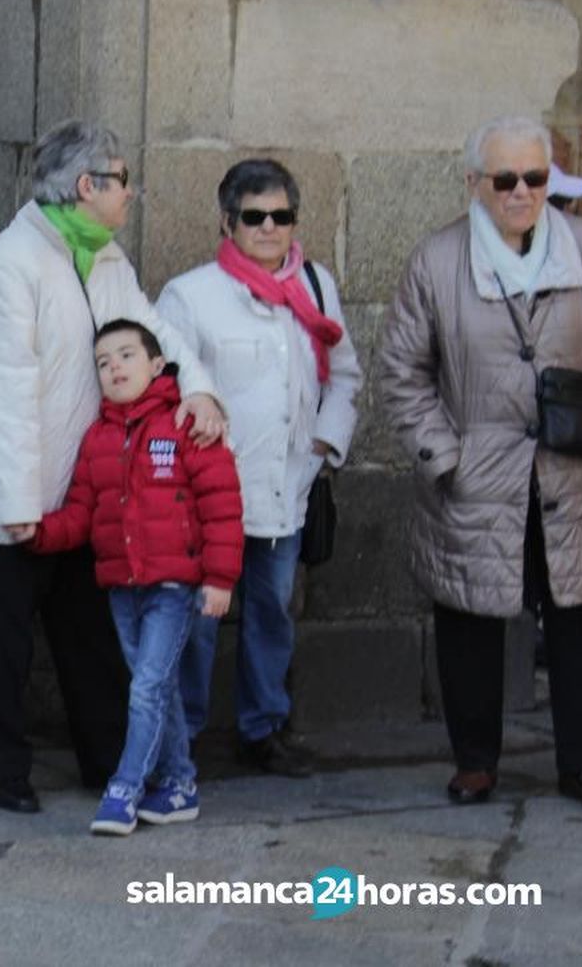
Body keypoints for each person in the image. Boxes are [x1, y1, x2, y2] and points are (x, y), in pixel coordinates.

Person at [0, 118, 224, 813]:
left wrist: (198, 387)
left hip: (86, 493)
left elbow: (155, 334)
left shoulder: (108, 259)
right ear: (87, 186)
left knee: (90, 636)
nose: (133, 192)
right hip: (12, 495)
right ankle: (1, 768)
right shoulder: (10, 265)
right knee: (2, 642)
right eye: (124, 178)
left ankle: (107, 759)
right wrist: (17, 502)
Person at [378, 116, 582, 814]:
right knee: (470, 621)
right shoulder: (437, 258)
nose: (520, 192)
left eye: (534, 178)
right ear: (475, 182)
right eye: (504, 178)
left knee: (577, 619)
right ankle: (474, 759)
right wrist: (443, 458)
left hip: (568, 473)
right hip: (476, 475)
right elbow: (402, 370)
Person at [156, 159, 362, 776]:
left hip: (286, 487)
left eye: (282, 216)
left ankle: (263, 728)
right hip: (210, 494)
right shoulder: (189, 295)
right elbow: (170, 385)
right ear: (228, 222)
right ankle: (183, 733)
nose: (270, 228)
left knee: (273, 611)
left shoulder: (315, 287)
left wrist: (325, 448)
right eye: (255, 217)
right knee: (198, 617)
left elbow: (344, 375)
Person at [29, 320, 242, 835]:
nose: (115, 368)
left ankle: (125, 787)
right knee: (157, 686)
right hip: (122, 587)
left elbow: (222, 507)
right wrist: (37, 533)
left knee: (145, 688)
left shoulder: (187, 424)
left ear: (156, 364)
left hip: (174, 586)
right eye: (103, 363)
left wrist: (219, 580)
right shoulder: (98, 438)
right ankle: (180, 783)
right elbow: (82, 510)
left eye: (126, 356)